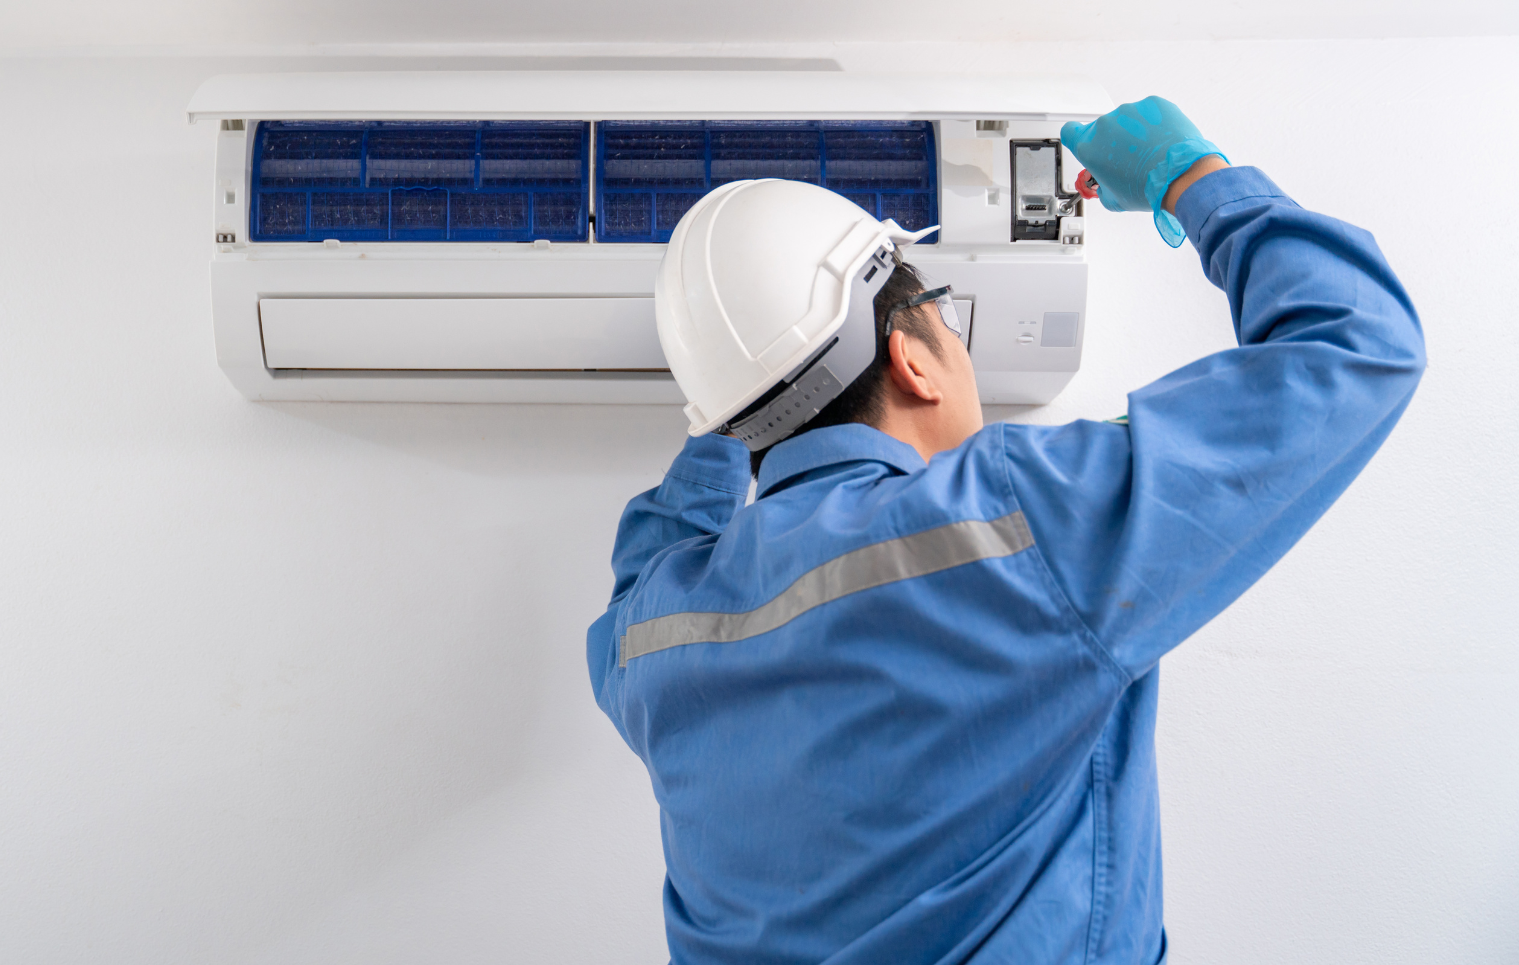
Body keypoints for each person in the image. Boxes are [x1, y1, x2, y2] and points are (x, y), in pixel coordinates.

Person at [586, 98, 1425, 964]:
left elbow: (653, 552)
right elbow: (1360, 345)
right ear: (912, 360)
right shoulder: (1018, 522)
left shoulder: (653, 635)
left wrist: (738, 395)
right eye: (945, 313)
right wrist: (1191, 177)